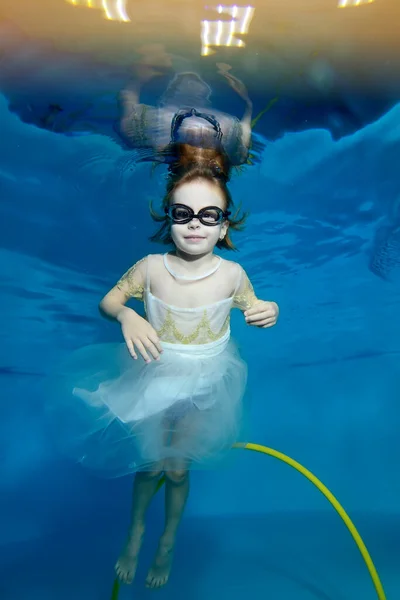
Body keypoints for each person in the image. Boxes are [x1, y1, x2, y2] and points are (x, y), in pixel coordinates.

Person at [47, 160, 279, 589]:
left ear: (224, 226)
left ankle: (167, 540)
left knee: (176, 468)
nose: (195, 224)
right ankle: (135, 532)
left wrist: (271, 310)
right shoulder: (150, 267)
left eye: (209, 215)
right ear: (168, 219)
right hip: (154, 374)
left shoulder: (232, 274)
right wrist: (126, 318)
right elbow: (108, 302)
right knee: (150, 463)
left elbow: (255, 306)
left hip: (208, 382)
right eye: (182, 213)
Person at [116, 63, 254, 169]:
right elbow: (246, 120)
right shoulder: (234, 152)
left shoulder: (148, 131)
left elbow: (127, 96)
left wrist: (139, 78)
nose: (198, 142)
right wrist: (245, 98)